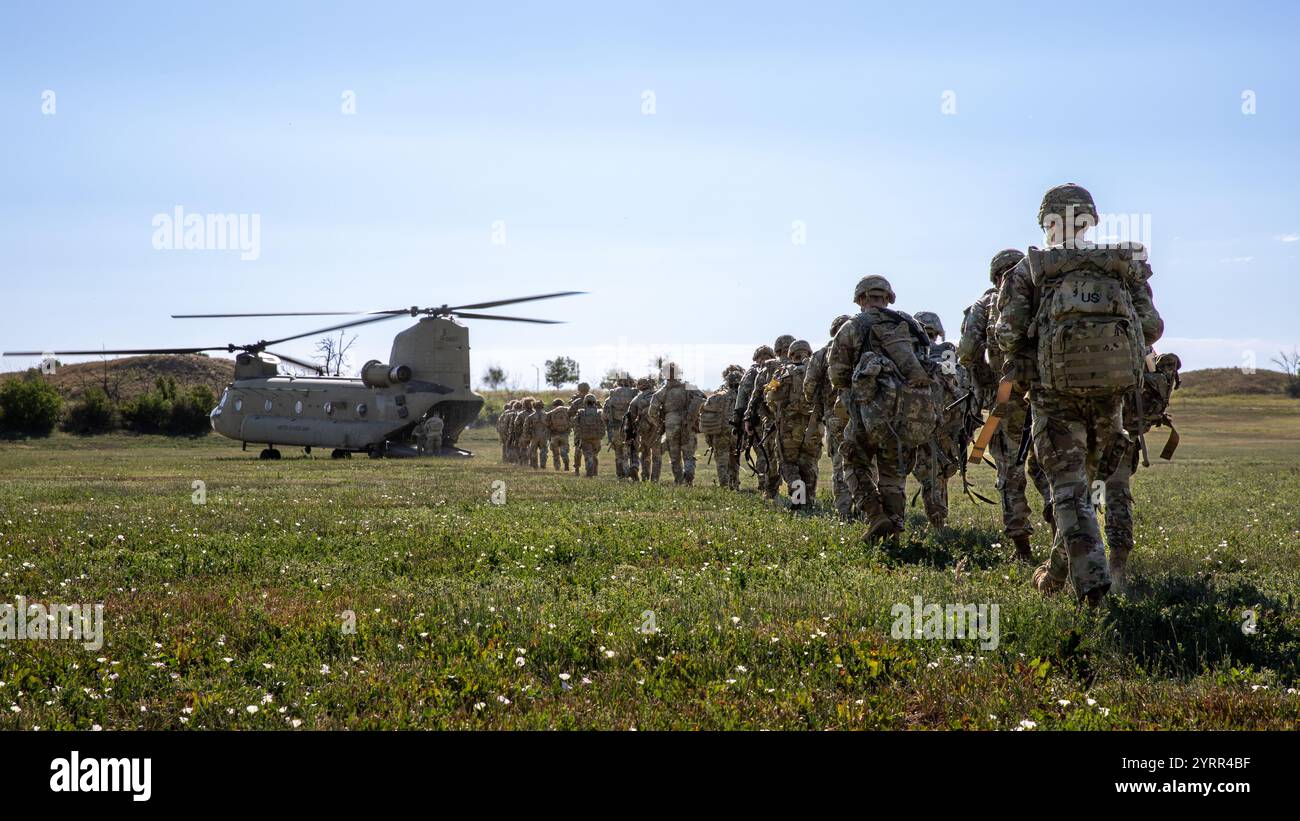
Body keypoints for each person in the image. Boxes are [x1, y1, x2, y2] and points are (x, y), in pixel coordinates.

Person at [994, 182, 1163, 604]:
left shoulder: (1030, 270)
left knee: (1069, 489)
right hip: (1112, 397)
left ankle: (1091, 583)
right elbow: (1152, 327)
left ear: (1047, 222)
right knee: (1085, 489)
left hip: (1054, 397)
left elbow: (1009, 333)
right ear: (1090, 221)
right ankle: (1054, 574)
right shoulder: (1121, 266)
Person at [828, 275, 935, 542]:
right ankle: (895, 533)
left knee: (852, 461)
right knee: (893, 474)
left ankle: (876, 515)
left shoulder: (853, 327)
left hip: (867, 415)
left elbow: (838, 374)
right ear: (889, 297)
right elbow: (928, 366)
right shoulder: (911, 326)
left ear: (861, 299)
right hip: (908, 414)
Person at [804, 315, 854, 518]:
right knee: (867, 462)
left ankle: (843, 511)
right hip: (866, 415)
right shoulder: (865, 348)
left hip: (835, 416)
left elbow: (809, 387)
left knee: (840, 464)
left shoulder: (823, 354)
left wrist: (818, 405)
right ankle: (866, 509)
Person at [765, 339, 819, 511]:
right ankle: (808, 501)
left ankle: (798, 497)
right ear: (809, 352)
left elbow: (770, 397)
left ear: (791, 354)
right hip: (813, 426)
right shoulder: (817, 371)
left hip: (788, 427)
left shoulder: (781, 372)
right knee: (808, 464)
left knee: (788, 464)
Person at [744, 335, 795, 499]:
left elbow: (756, 396)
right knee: (798, 461)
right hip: (797, 422)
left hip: (771, 422)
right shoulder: (803, 365)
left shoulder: (768, 369)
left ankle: (771, 493)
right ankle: (801, 497)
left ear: (777, 350)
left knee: (771, 458)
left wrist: (748, 418)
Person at [649, 364, 704, 485]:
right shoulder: (688, 385)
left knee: (675, 456)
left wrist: (659, 422)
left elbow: (652, 411)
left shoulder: (662, 391)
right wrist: (692, 416)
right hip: (687, 423)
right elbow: (702, 397)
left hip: (670, 424)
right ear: (679, 373)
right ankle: (689, 473)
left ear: (665, 374)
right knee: (689, 454)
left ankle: (679, 481)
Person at [625, 376, 663, 482]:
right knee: (656, 456)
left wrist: (631, 432)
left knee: (645, 453)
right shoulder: (658, 395)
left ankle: (645, 477)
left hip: (643, 430)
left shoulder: (636, 399)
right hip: (657, 429)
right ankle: (655, 479)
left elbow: (630, 416)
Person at [603, 375, 639, 479]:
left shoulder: (612, 394)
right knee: (633, 449)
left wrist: (608, 427)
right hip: (631, 427)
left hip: (615, 427)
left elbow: (605, 414)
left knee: (618, 451)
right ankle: (634, 466)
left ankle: (621, 474)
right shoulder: (635, 393)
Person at [573, 394, 606, 477]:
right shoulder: (599, 412)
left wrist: (578, 436)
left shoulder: (580, 412)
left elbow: (576, 424)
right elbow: (603, 424)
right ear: (594, 402)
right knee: (594, 455)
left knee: (588, 455)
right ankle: (595, 472)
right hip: (596, 438)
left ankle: (589, 473)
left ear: (585, 402)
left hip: (585, 438)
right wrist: (601, 435)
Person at [568, 381, 592, 476]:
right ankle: (593, 469)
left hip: (579, 429)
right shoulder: (593, 400)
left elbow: (569, 413)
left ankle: (577, 469)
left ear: (579, 390)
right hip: (592, 429)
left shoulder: (576, 402)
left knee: (578, 448)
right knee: (592, 449)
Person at [545, 398, 572, 471]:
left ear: (554, 405)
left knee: (555, 453)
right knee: (564, 451)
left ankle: (557, 467)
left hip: (554, 435)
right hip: (564, 435)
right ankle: (566, 462)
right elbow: (571, 421)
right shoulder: (567, 411)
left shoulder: (551, 412)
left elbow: (547, 424)